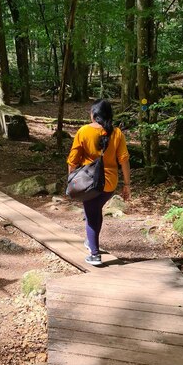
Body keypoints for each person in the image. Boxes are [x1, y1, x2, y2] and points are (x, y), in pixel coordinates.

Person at [67, 99, 131, 266]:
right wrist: (127, 185)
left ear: (94, 115)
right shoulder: (117, 133)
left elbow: (73, 161)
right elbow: (124, 160)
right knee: (95, 211)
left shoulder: (83, 131)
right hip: (109, 184)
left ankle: (95, 254)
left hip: (89, 183)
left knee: (91, 215)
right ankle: (91, 242)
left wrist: (71, 182)